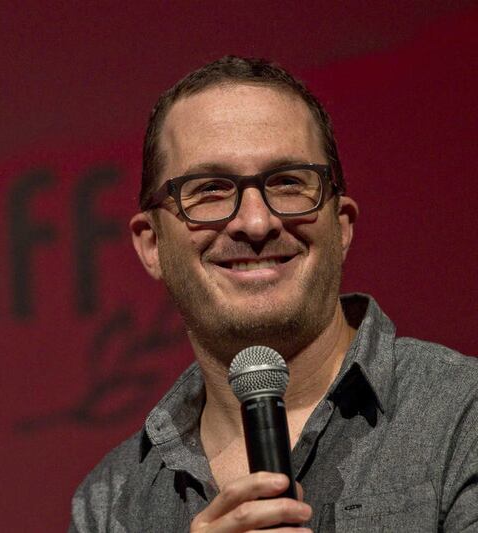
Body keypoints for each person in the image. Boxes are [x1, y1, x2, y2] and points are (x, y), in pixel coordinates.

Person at [69, 56, 478, 532]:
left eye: (287, 182)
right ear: (152, 244)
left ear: (341, 226)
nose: (256, 222)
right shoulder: (110, 503)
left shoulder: (462, 418)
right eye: (210, 190)